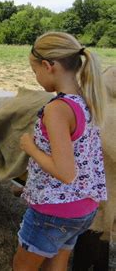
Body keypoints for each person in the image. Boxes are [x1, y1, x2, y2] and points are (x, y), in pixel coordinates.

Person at [13, 32, 107, 271]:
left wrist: (30, 147)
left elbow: (65, 172)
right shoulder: (87, 99)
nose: (36, 78)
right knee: (57, 263)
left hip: (54, 211)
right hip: (83, 207)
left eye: (35, 72)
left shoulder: (57, 109)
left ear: (48, 66)